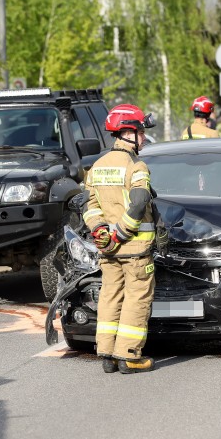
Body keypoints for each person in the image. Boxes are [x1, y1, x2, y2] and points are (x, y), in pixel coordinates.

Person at [83, 104, 157, 374]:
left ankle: (107, 353)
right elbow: (138, 203)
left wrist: (102, 233)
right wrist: (121, 233)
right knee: (137, 298)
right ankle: (129, 356)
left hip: (108, 251)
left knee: (110, 296)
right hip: (134, 249)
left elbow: (89, 206)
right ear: (128, 133)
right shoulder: (136, 166)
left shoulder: (97, 167)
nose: (144, 138)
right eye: (140, 132)